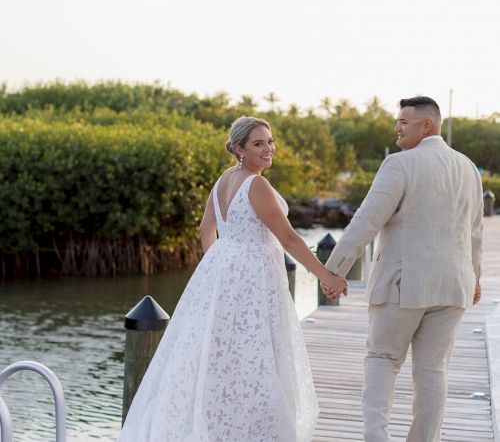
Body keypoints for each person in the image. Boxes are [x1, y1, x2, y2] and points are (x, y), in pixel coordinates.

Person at [117, 116, 347, 442]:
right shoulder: (257, 185)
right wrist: (327, 275)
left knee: (226, 357)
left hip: (224, 276)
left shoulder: (224, 180)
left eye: (269, 141)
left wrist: (219, 270)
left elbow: (205, 230)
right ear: (240, 149)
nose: (268, 149)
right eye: (258, 144)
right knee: (257, 355)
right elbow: (290, 239)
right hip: (255, 279)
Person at [321, 96, 483, 442]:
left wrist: (333, 270)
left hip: (402, 285)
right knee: (433, 371)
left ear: (427, 125)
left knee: (382, 359)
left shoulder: (399, 164)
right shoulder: (468, 167)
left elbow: (366, 220)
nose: (397, 127)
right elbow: (475, 231)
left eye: (403, 122)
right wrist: (476, 278)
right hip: (453, 287)